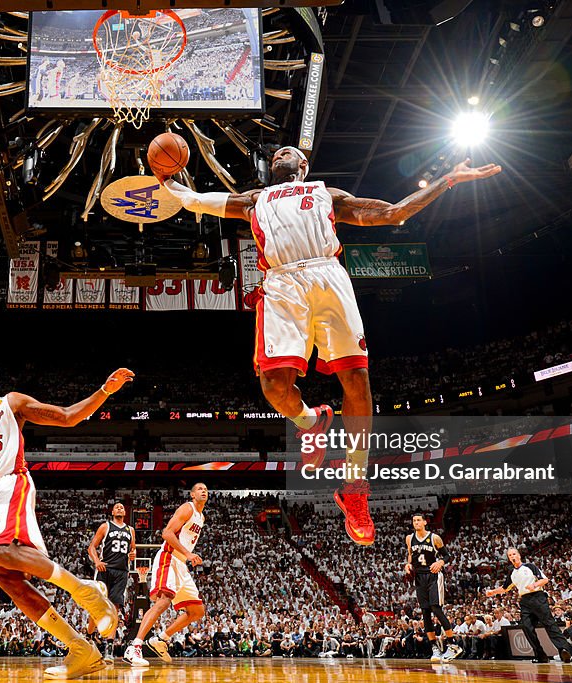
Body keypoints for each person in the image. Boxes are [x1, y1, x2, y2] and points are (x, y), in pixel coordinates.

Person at [159, 146, 501, 546]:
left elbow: (395, 213)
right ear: (274, 168)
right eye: (278, 153)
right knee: (273, 388)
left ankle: (354, 486)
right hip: (282, 284)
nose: (283, 152)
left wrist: (449, 180)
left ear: (303, 167)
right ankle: (311, 422)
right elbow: (196, 200)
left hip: (328, 278)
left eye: (292, 151)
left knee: (356, 383)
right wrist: (166, 181)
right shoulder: (255, 200)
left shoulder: (327, 194)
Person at [0, 337, 133, 680]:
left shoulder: (10, 402)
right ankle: (80, 649)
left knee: (0, 549)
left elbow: (66, 417)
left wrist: (104, 392)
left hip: (10, 482)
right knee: (3, 577)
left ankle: (83, 590)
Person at [124, 483, 209, 667]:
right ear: (193, 494)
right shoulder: (188, 508)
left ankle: (160, 639)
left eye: (206, 489)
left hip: (181, 565)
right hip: (168, 557)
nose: (204, 491)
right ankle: (134, 647)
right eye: (200, 489)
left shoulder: (201, 517)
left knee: (197, 611)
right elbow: (167, 533)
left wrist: (186, 556)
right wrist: (188, 554)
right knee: (163, 601)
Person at [484, 548, 572, 663]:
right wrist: (493, 592)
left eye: (514, 554)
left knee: (549, 624)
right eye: (510, 555)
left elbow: (545, 579)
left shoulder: (530, 566)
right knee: (527, 627)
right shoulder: (512, 573)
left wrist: (534, 585)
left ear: (519, 555)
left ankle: (563, 650)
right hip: (525, 601)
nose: (512, 556)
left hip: (538, 597)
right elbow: (505, 588)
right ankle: (541, 655)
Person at [404, 512, 461, 662]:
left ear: (424, 522)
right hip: (419, 576)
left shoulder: (434, 538)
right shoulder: (409, 539)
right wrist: (408, 564)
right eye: (414, 520)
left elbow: (447, 555)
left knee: (436, 608)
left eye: (418, 520)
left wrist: (441, 562)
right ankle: (435, 648)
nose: (415, 523)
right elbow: (411, 555)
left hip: (434, 575)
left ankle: (452, 644)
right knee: (425, 612)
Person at [86, 502, 137, 660]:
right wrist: (97, 561)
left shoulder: (131, 530)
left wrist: (133, 554)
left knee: (114, 609)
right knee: (97, 606)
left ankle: (109, 647)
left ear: (125, 512)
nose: (120, 508)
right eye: (117, 507)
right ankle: (88, 635)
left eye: (122, 506)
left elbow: (133, 548)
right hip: (105, 570)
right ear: (112, 511)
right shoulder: (105, 526)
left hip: (121, 572)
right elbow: (91, 547)